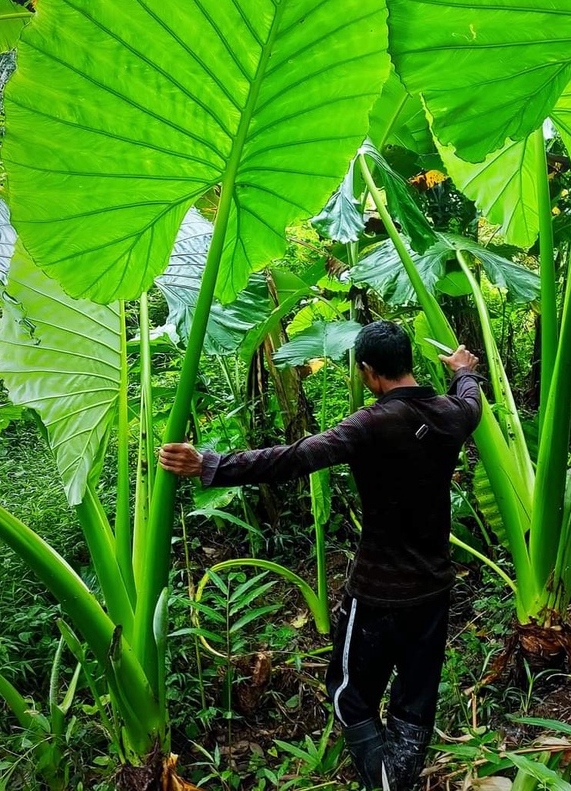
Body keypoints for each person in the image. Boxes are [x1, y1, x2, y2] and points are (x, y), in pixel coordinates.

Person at [157, 320, 483, 790]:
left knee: (349, 696)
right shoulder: (452, 414)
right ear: (409, 362)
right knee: (415, 702)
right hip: (433, 590)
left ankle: (384, 783)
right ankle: (399, 778)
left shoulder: (370, 424)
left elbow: (293, 458)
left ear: (368, 372)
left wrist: (210, 463)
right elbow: (471, 398)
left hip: (377, 594)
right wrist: (462, 370)